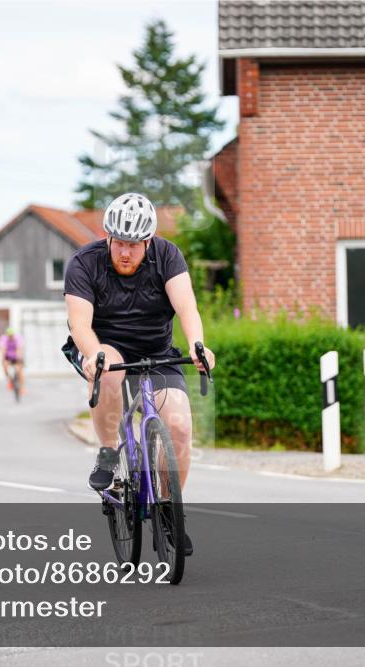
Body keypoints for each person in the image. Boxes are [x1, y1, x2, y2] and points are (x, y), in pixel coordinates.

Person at [63, 192, 215, 556]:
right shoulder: (84, 263)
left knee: (178, 426)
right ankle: (107, 452)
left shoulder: (167, 256)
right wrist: (93, 352)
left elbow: (187, 307)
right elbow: (79, 323)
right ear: (108, 237)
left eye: (133, 244)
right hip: (106, 345)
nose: (125, 252)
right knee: (108, 372)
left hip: (157, 352)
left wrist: (197, 344)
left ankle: (168, 510)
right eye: (118, 243)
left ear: (148, 241)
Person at [0, 327, 24, 396]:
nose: (10, 337)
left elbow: (19, 349)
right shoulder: (3, 339)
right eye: (9, 336)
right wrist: (3, 360)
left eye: (11, 336)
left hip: (16, 356)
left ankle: (21, 387)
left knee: (20, 371)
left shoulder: (18, 338)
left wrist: (19, 359)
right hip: (8, 356)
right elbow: (3, 350)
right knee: (5, 366)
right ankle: (10, 380)